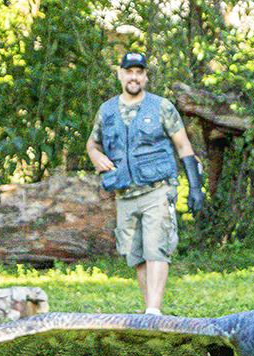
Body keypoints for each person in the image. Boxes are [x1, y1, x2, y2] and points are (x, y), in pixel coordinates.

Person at [86, 51, 204, 315]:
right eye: (129, 71)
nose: (134, 77)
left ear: (146, 77)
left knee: (157, 248)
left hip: (157, 190)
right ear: (120, 74)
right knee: (136, 254)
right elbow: (92, 143)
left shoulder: (161, 107)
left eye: (139, 72)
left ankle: (153, 310)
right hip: (125, 193)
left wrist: (195, 187)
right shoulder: (107, 111)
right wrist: (95, 155)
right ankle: (148, 309)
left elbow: (184, 146)